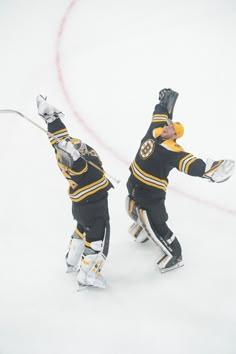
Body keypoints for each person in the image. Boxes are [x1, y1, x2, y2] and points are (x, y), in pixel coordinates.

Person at [126, 88, 235, 273]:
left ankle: (174, 254)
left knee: (156, 222)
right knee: (131, 206)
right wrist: (163, 104)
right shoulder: (156, 130)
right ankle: (144, 229)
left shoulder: (173, 150)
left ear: (175, 136)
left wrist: (210, 170)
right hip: (135, 182)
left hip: (151, 194)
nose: (167, 127)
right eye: (168, 125)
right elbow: (160, 115)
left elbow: (190, 163)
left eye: (171, 129)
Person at [36, 95, 113, 288]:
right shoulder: (74, 164)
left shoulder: (62, 144)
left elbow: (59, 136)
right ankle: (86, 276)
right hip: (94, 205)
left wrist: (51, 118)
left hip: (81, 205)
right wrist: (76, 157)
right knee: (96, 240)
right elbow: (79, 168)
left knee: (81, 230)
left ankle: (71, 261)